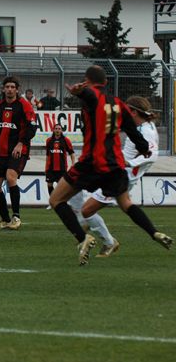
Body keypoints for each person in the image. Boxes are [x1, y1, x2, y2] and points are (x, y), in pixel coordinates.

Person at [49, 66, 172, 266]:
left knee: (56, 200)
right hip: (115, 166)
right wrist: (144, 149)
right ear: (106, 82)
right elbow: (134, 132)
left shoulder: (92, 96)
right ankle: (153, 231)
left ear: (88, 81)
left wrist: (78, 91)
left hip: (91, 162)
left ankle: (83, 238)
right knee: (127, 204)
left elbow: (90, 96)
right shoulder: (119, 104)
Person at [78, 96, 162, 257]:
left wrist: (129, 162)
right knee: (82, 197)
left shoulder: (146, 131)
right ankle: (87, 230)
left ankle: (108, 241)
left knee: (86, 210)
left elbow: (152, 154)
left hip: (121, 178)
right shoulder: (143, 127)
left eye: (126, 110)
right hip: (116, 172)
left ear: (133, 112)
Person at [0, 76, 37, 231]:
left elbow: (32, 128)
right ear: (3, 89)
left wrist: (20, 143)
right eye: (7, 87)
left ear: (17, 89)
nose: (10, 89)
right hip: (1, 152)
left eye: (12, 87)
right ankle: (5, 219)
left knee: (11, 177)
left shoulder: (24, 106)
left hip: (19, 150)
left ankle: (16, 217)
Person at [45, 124, 75, 208]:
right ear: (53, 130)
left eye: (59, 129)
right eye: (56, 128)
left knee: (62, 187)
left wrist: (73, 164)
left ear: (61, 130)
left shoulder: (66, 140)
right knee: (49, 185)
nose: (57, 130)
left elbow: (72, 153)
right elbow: (47, 155)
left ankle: (63, 202)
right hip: (51, 168)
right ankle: (52, 203)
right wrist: (46, 167)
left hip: (62, 168)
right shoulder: (49, 140)